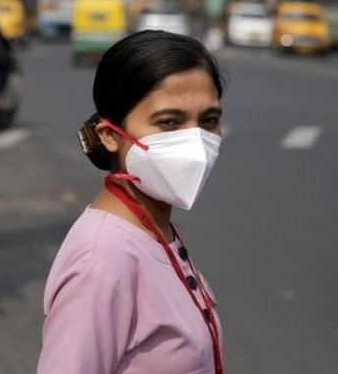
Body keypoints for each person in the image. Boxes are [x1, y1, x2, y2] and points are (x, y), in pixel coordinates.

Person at [37, 30, 227, 374]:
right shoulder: (102, 260)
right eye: (169, 122)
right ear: (110, 135)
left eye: (209, 121)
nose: (195, 143)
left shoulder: (154, 229)